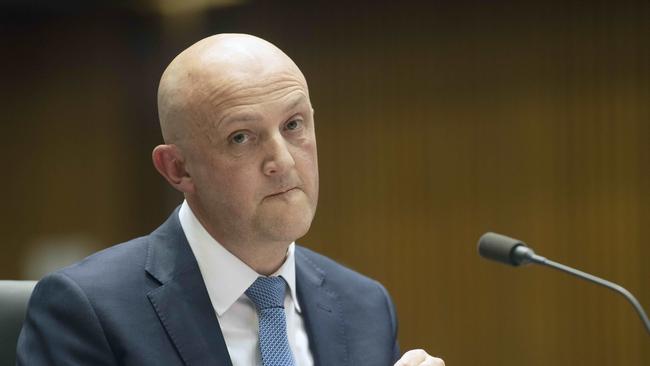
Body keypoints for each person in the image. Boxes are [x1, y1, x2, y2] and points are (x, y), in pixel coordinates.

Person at [17, 34, 444, 366]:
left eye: (294, 125)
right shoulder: (88, 310)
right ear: (178, 169)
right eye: (241, 137)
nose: (282, 160)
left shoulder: (365, 306)